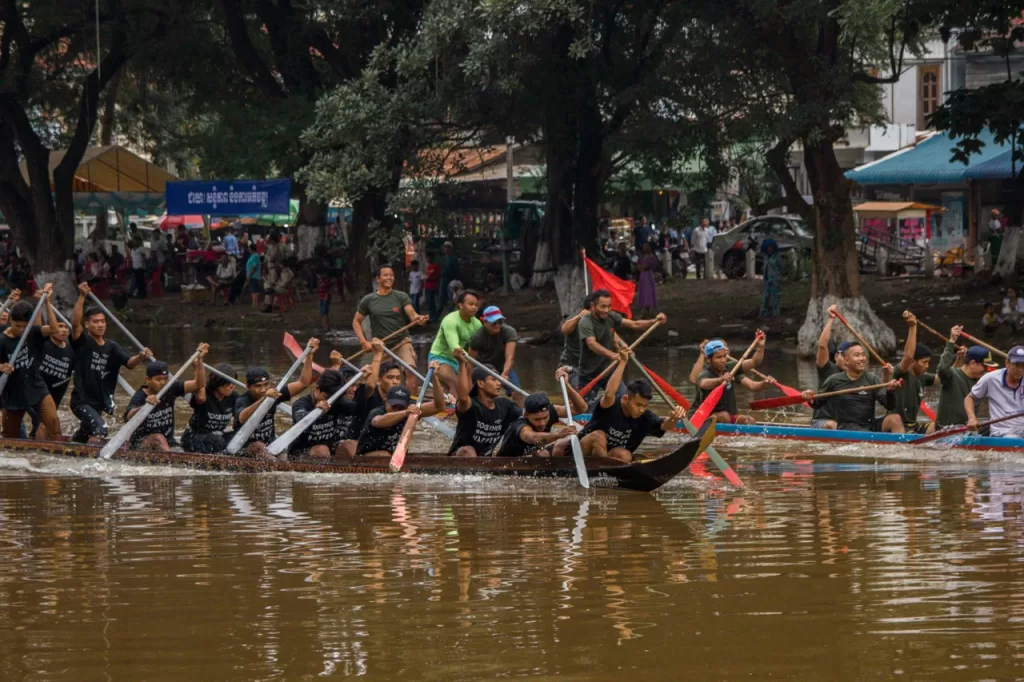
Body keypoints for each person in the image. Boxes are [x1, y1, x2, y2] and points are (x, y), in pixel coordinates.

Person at [555, 348, 684, 463]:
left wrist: (674, 418)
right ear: (626, 398)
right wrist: (622, 362)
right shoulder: (611, 405)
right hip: (579, 453)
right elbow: (609, 393)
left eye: (644, 406)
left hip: (606, 458)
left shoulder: (645, 417)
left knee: (625, 455)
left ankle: (608, 472)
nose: (641, 409)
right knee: (598, 436)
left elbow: (664, 425)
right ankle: (604, 471)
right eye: (638, 405)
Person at [70, 282, 152, 443]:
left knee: (87, 432)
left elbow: (130, 363)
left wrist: (141, 356)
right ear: (87, 324)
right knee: (101, 429)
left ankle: (74, 444)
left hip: (99, 402)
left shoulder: (112, 346)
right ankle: (96, 465)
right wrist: (81, 296)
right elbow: (74, 324)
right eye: (95, 322)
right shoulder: (82, 342)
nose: (100, 325)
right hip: (81, 401)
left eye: (102, 321)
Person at [233, 337, 318, 459]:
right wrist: (264, 400)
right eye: (257, 386)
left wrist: (309, 356)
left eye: (265, 385)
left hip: (271, 445)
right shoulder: (242, 400)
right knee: (259, 447)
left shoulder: (274, 395)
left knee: (284, 463)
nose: (263, 390)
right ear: (248, 387)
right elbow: (241, 418)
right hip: (246, 447)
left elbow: (303, 383)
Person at [576, 289, 666, 402]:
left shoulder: (610, 316)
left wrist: (654, 321)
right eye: (602, 307)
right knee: (584, 409)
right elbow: (592, 344)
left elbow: (634, 324)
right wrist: (613, 355)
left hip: (609, 372)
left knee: (623, 400)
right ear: (593, 306)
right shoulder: (585, 322)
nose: (606, 310)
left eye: (609, 306)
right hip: (588, 375)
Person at [352, 264, 428, 394]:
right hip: (382, 345)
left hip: (402, 341)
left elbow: (412, 314)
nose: (389, 278)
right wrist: (364, 341)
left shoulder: (401, 296)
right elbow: (356, 321)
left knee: (410, 370)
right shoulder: (369, 300)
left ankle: (414, 405)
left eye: (391, 275)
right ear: (378, 279)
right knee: (378, 377)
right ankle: (383, 402)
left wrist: (418, 318)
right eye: (386, 275)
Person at [0, 288, 64, 440]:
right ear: (10, 321)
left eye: (24, 326)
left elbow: (54, 330)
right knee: (10, 437)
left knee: (54, 424)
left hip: (36, 387)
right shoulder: (2, 341)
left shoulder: (32, 332)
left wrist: (47, 302)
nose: (22, 330)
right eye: (18, 326)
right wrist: (1, 367)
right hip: (13, 393)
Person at [123, 345, 209, 451]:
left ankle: (174, 458)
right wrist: (145, 406)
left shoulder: (171, 387)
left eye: (165, 379)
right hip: (141, 443)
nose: (163, 383)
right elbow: (129, 416)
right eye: (158, 379)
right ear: (148, 380)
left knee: (178, 449)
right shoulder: (140, 395)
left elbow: (199, 384)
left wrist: (199, 362)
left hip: (168, 442)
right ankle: (173, 461)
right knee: (157, 437)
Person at [800, 343, 897, 432]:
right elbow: (816, 403)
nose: (862, 358)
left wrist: (890, 390)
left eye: (863, 355)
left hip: (869, 425)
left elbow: (889, 405)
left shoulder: (872, 380)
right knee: (859, 431)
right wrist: (809, 395)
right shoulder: (834, 380)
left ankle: (904, 445)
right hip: (847, 427)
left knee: (895, 419)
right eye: (857, 355)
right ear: (846, 361)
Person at [491, 369, 588, 457]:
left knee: (567, 443)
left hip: (530, 453)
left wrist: (567, 386)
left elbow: (582, 408)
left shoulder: (552, 410)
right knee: (542, 454)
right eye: (537, 419)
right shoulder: (521, 426)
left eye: (545, 417)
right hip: (503, 460)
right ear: (526, 415)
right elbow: (534, 438)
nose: (542, 423)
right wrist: (558, 434)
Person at [354, 364, 445, 456]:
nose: (397, 409)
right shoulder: (377, 412)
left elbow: (439, 407)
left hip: (395, 458)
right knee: (384, 455)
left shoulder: (411, 409)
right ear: (386, 401)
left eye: (401, 407)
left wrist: (435, 378)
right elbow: (378, 421)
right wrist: (405, 412)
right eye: (394, 406)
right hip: (367, 457)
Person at [448, 350, 522, 457]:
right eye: (493, 380)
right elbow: (463, 397)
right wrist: (461, 363)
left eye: (498, 379)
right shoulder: (471, 406)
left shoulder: (505, 405)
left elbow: (527, 414)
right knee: (467, 450)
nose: (499, 383)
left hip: (486, 460)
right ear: (481, 383)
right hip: (461, 457)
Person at [692, 337, 775, 424]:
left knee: (749, 420)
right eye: (719, 357)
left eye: (724, 356)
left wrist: (760, 348)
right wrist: (720, 380)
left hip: (729, 416)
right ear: (709, 360)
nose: (723, 360)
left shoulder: (732, 368)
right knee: (724, 416)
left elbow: (754, 362)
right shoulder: (705, 373)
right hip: (703, 417)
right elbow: (703, 384)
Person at [288, 367, 365, 459]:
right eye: (325, 397)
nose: (329, 402)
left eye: (332, 399)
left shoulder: (337, 401)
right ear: (317, 389)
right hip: (302, 450)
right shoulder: (301, 403)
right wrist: (315, 412)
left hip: (330, 446)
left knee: (352, 445)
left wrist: (367, 384)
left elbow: (359, 409)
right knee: (322, 450)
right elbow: (300, 418)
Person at [882, 314, 938, 434]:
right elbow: (908, 356)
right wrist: (912, 327)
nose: (927, 366)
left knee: (939, 425)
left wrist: (958, 354)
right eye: (924, 362)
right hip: (896, 424)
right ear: (913, 362)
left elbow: (946, 376)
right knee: (897, 421)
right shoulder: (901, 372)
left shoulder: (922, 376)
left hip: (913, 425)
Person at [427, 289, 482, 397]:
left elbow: (479, 346)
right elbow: (455, 347)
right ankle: (457, 409)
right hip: (440, 358)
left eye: (476, 305)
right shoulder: (450, 320)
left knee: (473, 387)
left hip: (459, 360)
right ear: (460, 305)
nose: (474, 307)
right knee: (455, 382)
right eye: (470, 304)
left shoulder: (477, 324)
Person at [935, 326, 989, 429]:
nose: (986, 370)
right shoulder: (951, 375)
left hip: (968, 429)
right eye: (984, 366)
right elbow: (942, 368)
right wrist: (951, 342)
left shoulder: (982, 381)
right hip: (947, 429)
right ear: (972, 363)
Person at [965, 345, 1024, 437]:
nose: (1020, 370)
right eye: (1016, 365)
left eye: (1023, 365)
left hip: (1022, 429)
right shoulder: (990, 378)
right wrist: (972, 418)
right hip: (1003, 432)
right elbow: (969, 398)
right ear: (1007, 363)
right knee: (1012, 438)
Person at [468, 306, 521, 405]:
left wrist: (504, 374)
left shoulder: (509, 332)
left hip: (502, 366)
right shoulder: (477, 337)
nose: (497, 325)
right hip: (483, 368)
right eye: (493, 323)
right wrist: (470, 381)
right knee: (486, 395)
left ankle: (524, 413)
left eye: (500, 322)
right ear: (485, 322)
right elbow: (470, 362)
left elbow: (510, 357)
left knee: (516, 391)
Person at [181, 362, 239, 454]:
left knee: (239, 438)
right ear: (217, 382)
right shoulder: (204, 395)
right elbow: (199, 390)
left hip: (218, 435)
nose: (232, 386)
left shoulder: (234, 397)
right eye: (228, 383)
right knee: (217, 441)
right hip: (194, 436)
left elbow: (242, 419)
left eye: (233, 382)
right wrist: (197, 366)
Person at [558, 299, 592, 387]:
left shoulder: (602, 322)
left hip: (590, 366)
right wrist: (578, 317)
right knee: (576, 391)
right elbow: (564, 330)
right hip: (571, 364)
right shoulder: (576, 321)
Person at [759, 239, 783, 318]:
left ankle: (776, 314)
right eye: (768, 247)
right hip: (767, 279)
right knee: (765, 297)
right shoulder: (765, 256)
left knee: (775, 297)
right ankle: (763, 313)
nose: (770, 249)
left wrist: (779, 277)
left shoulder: (777, 256)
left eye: (771, 247)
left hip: (775, 279)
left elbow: (781, 267)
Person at [635, 243, 659, 319]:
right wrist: (640, 267)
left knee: (648, 291)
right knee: (643, 291)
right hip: (643, 276)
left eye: (646, 246)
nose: (644, 248)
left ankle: (647, 310)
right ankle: (645, 310)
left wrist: (642, 267)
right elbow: (638, 266)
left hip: (648, 275)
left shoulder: (652, 258)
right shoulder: (642, 257)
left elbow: (645, 267)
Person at [439, 241, 461, 316]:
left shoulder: (454, 259)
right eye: (445, 247)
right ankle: (437, 316)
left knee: (451, 298)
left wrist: (456, 282)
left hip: (451, 281)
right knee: (441, 298)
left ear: (451, 249)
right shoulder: (442, 259)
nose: (446, 249)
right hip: (443, 280)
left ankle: (449, 314)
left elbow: (457, 271)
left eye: (448, 247)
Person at [424, 253, 442, 323]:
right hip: (427, 286)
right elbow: (426, 276)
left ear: (432, 258)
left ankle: (433, 317)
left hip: (433, 286)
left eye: (429, 258)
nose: (428, 259)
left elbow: (438, 276)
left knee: (432, 302)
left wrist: (430, 279)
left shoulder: (436, 266)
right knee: (429, 302)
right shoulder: (428, 267)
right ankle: (432, 316)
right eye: (427, 258)